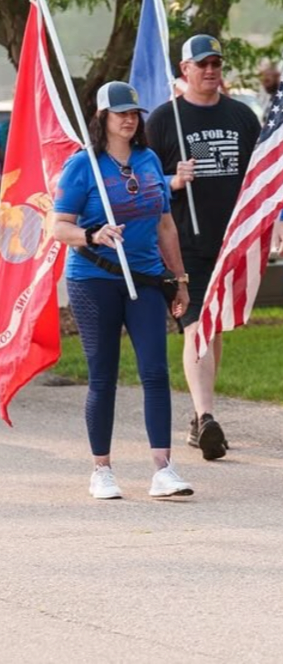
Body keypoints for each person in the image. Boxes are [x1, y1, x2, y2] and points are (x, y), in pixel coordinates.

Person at [146, 34, 283, 461]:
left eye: (216, 63)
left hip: (233, 243)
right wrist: (173, 180)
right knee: (195, 324)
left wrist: (281, 219)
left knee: (215, 325)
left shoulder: (241, 117)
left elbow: (266, 176)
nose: (211, 70)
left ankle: (199, 415)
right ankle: (207, 416)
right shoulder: (163, 120)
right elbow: (140, 184)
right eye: (202, 64)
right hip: (182, 244)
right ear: (184, 70)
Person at [53, 81, 193, 499]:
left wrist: (180, 279)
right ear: (102, 118)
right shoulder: (84, 165)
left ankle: (163, 469)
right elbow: (56, 226)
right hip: (94, 279)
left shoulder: (149, 160)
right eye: (120, 113)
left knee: (155, 371)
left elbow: (165, 225)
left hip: (146, 278)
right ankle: (102, 469)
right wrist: (92, 234)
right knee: (103, 375)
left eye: (134, 112)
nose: (129, 119)